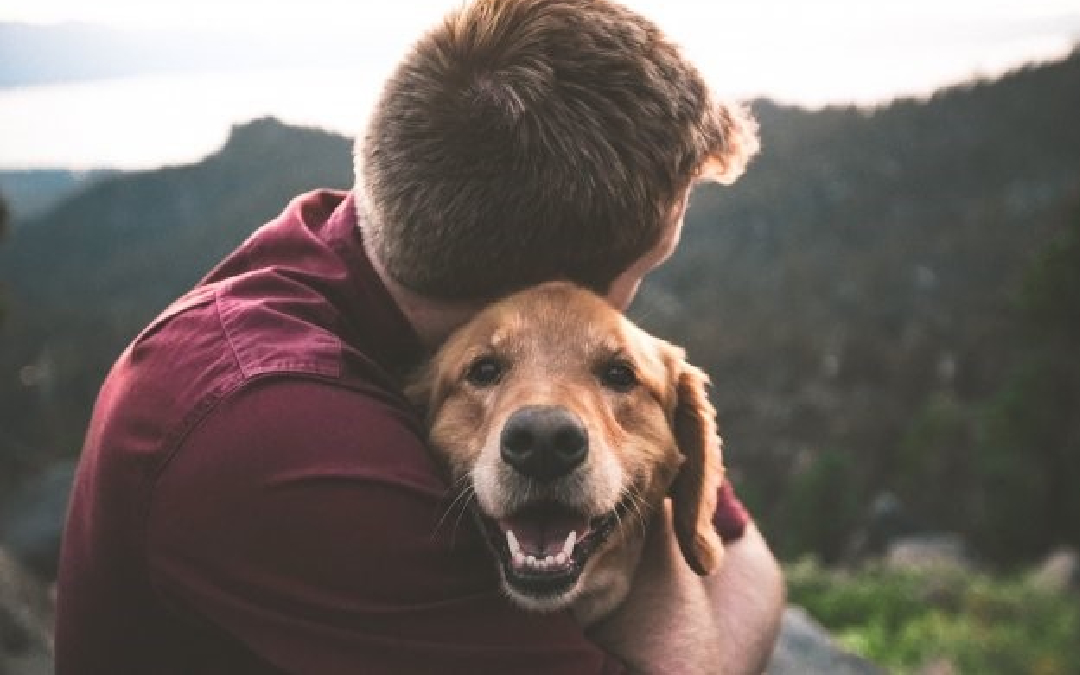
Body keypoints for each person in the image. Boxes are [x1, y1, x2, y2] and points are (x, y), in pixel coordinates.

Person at [55, 0, 785, 672]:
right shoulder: (278, 435)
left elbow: (746, 557)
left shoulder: (387, 250)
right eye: (645, 268)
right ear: (555, 288)